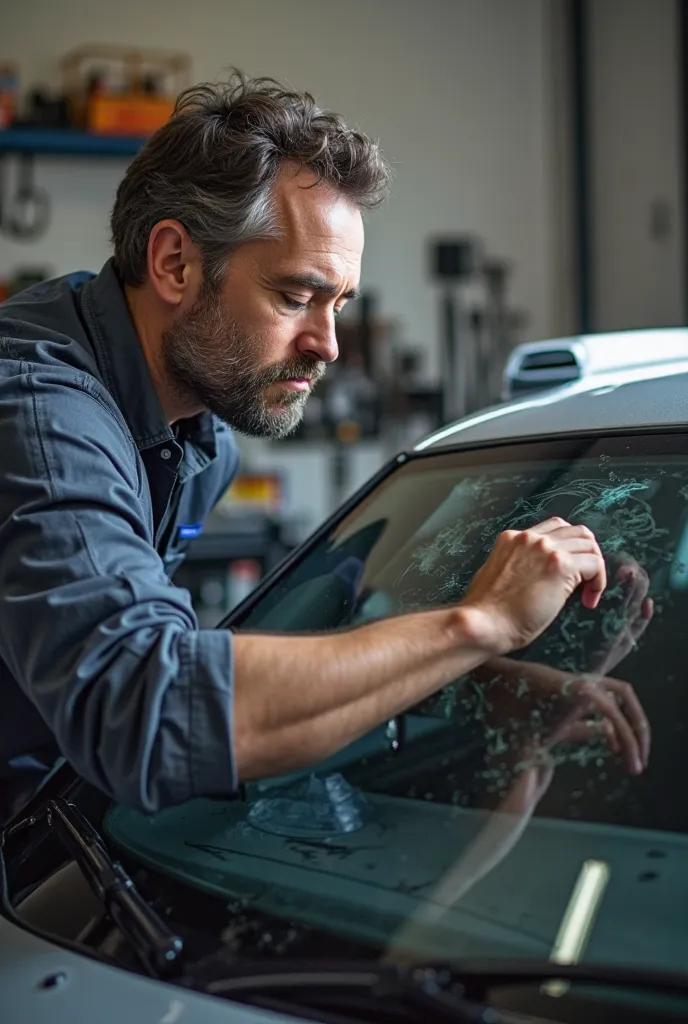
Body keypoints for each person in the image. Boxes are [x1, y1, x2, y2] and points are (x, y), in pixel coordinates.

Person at [0, 71, 646, 824]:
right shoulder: (41, 414)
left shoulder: (199, 442)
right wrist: (478, 623)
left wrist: (464, 679)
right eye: (295, 296)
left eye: (339, 304)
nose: (328, 345)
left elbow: (171, 658)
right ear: (174, 263)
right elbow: (147, 713)